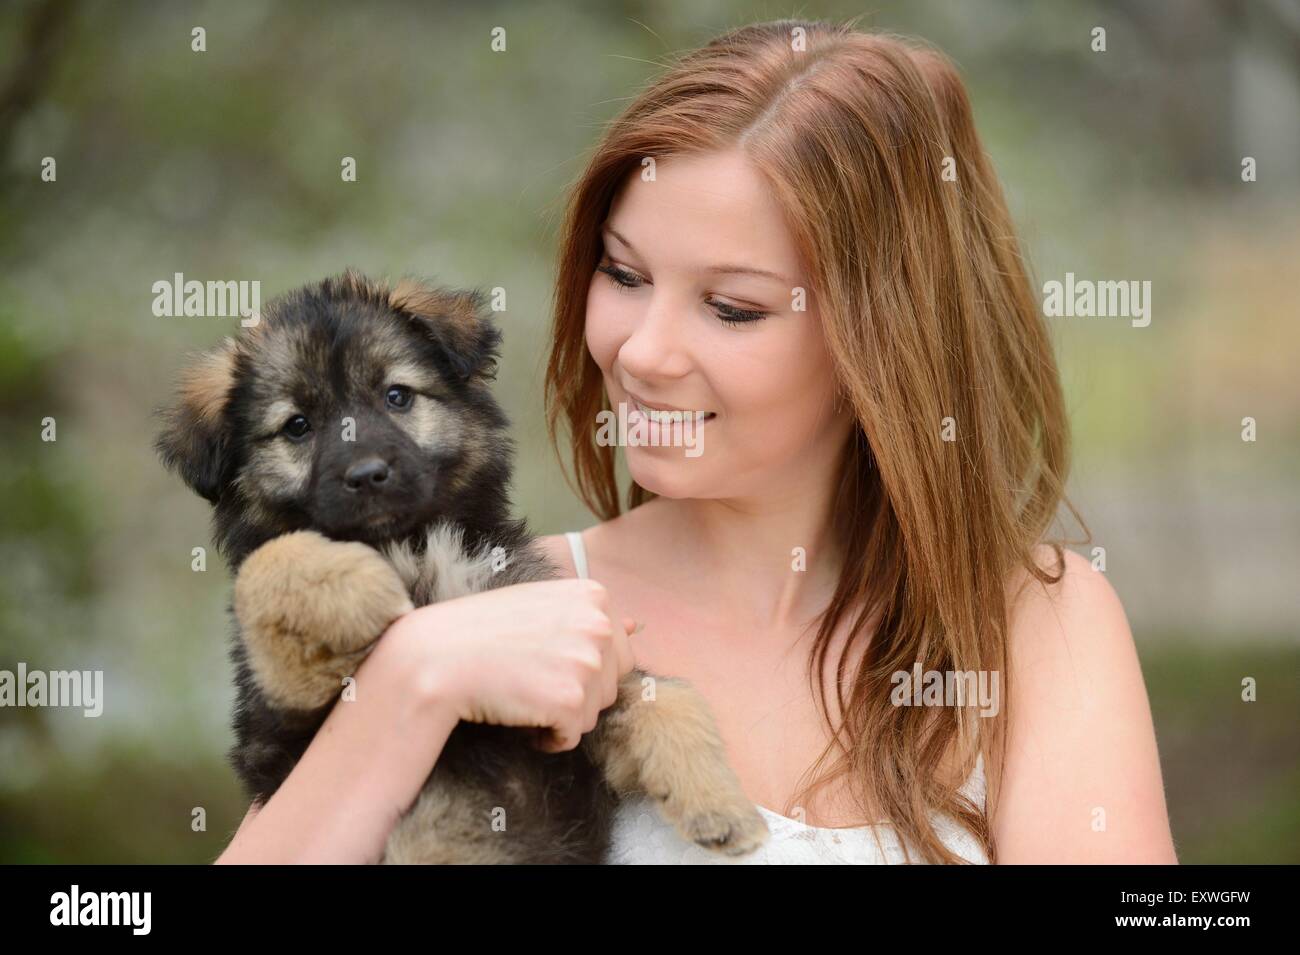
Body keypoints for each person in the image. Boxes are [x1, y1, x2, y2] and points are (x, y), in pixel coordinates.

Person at [216, 18, 1177, 864]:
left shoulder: (1032, 626)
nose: (642, 350)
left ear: (883, 344)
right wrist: (412, 681)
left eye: (731, 305)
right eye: (624, 275)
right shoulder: (501, 608)